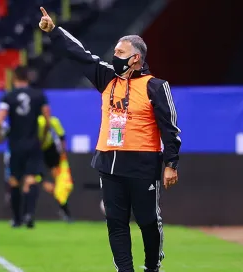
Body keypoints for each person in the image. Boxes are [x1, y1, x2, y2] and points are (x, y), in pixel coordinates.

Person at [39, 7, 181, 272]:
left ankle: (152, 267)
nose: (114, 56)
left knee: (148, 221)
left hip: (143, 163)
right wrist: (54, 31)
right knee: (116, 222)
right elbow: (80, 54)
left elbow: (169, 127)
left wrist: (171, 163)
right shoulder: (106, 77)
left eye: (120, 53)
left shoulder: (155, 86)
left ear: (136, 58)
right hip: (109, 163)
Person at [0, 65, 50, 228]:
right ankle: (29, 215)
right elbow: (47, 119)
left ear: (14, 78)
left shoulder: (8, 97)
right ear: (28, 78)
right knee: (31, 179)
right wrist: (43, 136)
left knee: (14, 180)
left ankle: (17, 219)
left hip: (15, 144)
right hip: (33, 143)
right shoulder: (39, 95)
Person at [3, 115, 74, 222]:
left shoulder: (52, 122)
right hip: (36, 153)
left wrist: (62, 154)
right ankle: (25, 215)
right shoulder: (30, 124)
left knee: (62, 185)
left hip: (51, 154)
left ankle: (64, 212)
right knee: (31, 181)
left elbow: (61, 137)